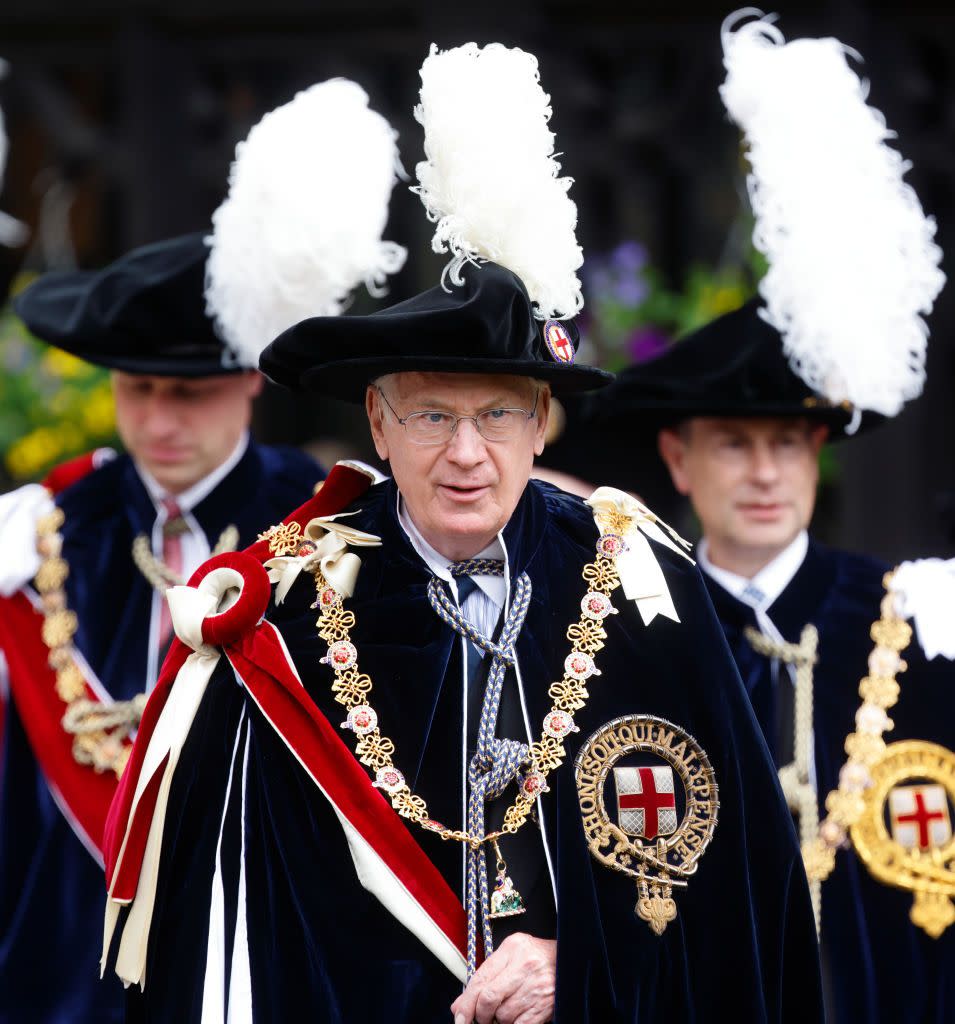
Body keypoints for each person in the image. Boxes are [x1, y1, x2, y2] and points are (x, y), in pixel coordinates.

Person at [104, 41, 823, 1024]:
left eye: (496, 417)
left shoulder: (641, 585)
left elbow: (739, 888)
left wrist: (589, 968)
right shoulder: (284, 613)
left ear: (540, 426)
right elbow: (234, 930)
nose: (466, 454)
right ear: (378, 425)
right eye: (432, 415)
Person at [0, 76, 406, 1024]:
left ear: (249, 384)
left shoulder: (314, 523)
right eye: (137, 391)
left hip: (256, 929)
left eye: (188, 394)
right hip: (59, 950)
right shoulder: (45, 527)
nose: (159, 420)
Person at [592, 15, 952, 1022]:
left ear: (817, 453)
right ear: (677, 456)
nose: (763, 472)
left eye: (786, 443)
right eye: (733, 444)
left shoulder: (913, 619)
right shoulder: (624, 632)